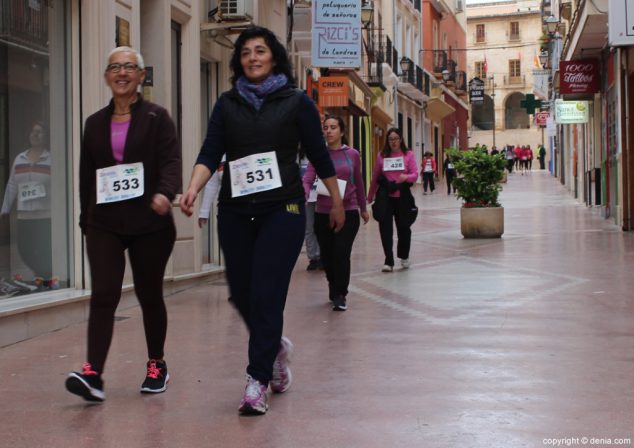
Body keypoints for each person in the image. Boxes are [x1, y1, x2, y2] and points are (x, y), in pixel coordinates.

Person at [179, 26, 345, 415]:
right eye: (246, 52)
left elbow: (320, 156)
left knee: (267, 291)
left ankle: (257, 381)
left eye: (261, 51)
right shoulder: (227, 103)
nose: (253, 58)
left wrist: (336, 200)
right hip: (236, 210)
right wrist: (192, 189)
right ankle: (274, 347)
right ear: (238, 61)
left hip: (282, 209)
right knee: (242, 293)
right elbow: (209, 152)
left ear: (274, 57)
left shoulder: (296, 102)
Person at [65, 46, 181, 402]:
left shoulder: (157, 117)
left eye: (130, 67)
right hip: (105, 223)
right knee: (103, 294)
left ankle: (156, 364)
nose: (122, 72)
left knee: (149, 295)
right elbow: (88, 175)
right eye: (115, 67)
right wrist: (87, 221)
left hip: (150, 221)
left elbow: (171, 163)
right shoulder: (94, 123)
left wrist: (165, 193)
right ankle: (93, 374)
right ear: (106, 76)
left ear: (141, 76)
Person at [302, 115, 369, 311]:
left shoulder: (353, 154)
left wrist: (363, 208)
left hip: (348, 211)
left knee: (341, 253)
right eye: (326, 127)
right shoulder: (318, 154)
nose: (329, 131)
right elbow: (308, 178)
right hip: (322, 212)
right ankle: (333, 285)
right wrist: (303, 194)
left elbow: (358, 181)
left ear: (341, 131)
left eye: (333, 127)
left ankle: (341, 293)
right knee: (328, 256)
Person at [1, 121, 55, 291]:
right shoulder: (20, 158)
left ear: (45, 136)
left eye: (39, 131)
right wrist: (5, 209)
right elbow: (12, 185)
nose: (35, 134)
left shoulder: (50, 159)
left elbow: (58, 186)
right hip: (24, 214)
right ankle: (43, 277)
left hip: (44, 215)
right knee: (25, 250)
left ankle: (44, 280)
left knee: (42, 250)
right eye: (32, 131)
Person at [367, 127, 418, 273]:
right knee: (385, 229)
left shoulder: (408, 155)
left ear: (401, 139)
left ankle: (404, 255)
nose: (393, 142)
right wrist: (370, 196)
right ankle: (388, 260)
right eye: (390, 139)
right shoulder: (382, 156)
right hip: (385, 197)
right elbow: (375, 177)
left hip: (403, 197)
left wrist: (405, 178)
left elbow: (415, 174)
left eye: (396, 138)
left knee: (404, 228)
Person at [299, 152, 322, 271]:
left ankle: (323, 256)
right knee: (309, 228)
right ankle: (313, 258)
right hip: (307, 196)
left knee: (322, 227)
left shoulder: (323, 150)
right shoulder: (299, 154)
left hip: (323, 194)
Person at [198, 160, 224, 228]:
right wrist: (204, 212)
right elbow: (212, 184)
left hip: (251, 210)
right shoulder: (221, 154)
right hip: (226, 211)